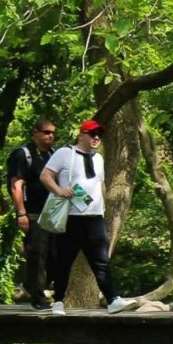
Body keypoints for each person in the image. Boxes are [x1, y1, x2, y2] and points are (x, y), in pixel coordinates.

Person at [40, 119, 138, 315]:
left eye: (99, 135)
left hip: (94, 217)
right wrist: (59, 190)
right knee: (64, 261)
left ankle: (112, 300)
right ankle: (58, 301)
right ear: (81, 135)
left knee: (101, 260)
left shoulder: (98, 159)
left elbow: (100, 184)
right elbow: (45, 175)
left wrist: (103, 207)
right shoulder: (64, 154)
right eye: (92, 134)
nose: (96, 138)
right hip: (71, 217)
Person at [7, 116, 58, 310]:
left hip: (52, 214)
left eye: (53, 132)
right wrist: (21, 213)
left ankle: (32, 285)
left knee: (54, 256)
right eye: (46, 132)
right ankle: (37, 297)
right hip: (32, 214)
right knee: (37, 255)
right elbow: (16, 185)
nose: (50, 136)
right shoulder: (23, 155)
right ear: (35, 133)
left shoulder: (53, 154)